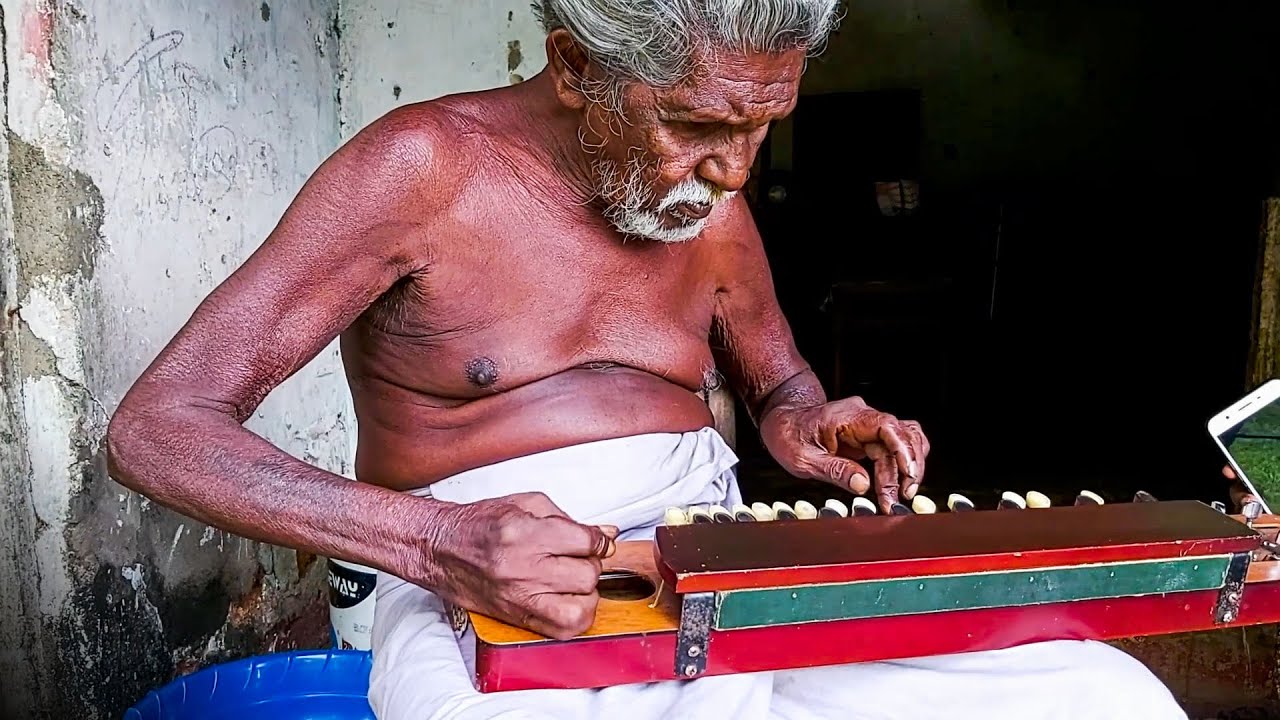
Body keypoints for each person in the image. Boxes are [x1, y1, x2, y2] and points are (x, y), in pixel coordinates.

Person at [105, 1, 1189, 718]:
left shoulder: (700, 195)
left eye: (761, 129)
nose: (731, 170)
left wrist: (808, 420)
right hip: (488, 592)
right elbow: (158, 428)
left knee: (1098, 695)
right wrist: (434, 541)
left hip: (717, 571)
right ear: (576, 66)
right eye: (696, 125)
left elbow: (778, 382)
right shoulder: (419, 172)